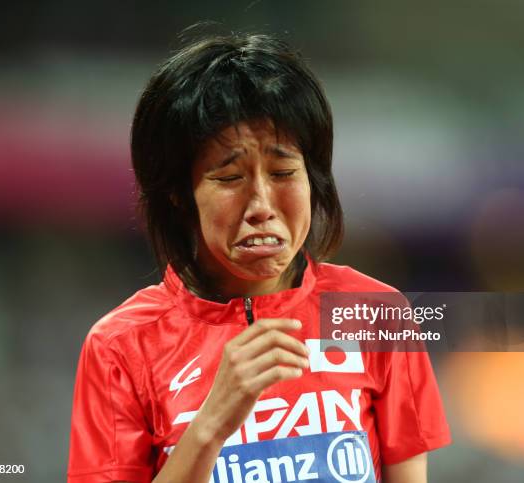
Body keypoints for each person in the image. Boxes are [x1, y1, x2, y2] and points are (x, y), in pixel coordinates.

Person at [67, 31, 451, 483]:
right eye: (229, 178)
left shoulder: (374, 313)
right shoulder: (120, 347)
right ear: (178, 195)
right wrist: (210, 425)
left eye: (284, 172)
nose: (262, 205)